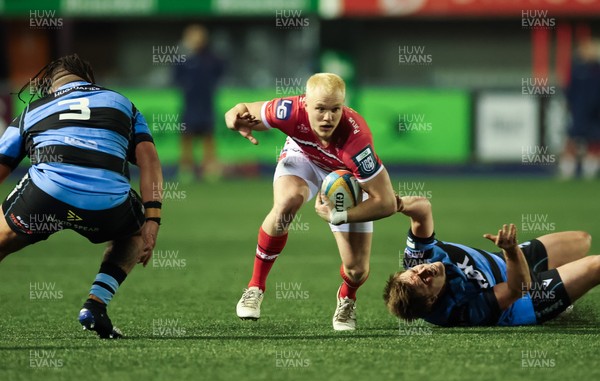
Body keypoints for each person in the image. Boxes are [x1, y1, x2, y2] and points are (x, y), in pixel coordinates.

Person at [0, 54, 163, 338]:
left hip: (45, 195)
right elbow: (149, 161)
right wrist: (152, 220)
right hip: (107, 201)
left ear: (51, 83)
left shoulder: (32, 110)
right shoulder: (122, 103)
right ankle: (95, 305)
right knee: (133, 235)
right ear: (89, 80)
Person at [225, 73, 397, 330]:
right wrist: (233, 117)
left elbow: (386, 203)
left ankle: (347, 298)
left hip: (343, 178)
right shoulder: (289, 111)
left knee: (356, 270)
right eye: (320, 109)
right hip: (303, 158)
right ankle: (255, 287)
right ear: (305, 104)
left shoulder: (357, 143)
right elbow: (244, 111)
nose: (328, 117)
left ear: (343, 105)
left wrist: (339, 216)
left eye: (335, 109)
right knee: (287, 202)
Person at [383, 196, 598, 326]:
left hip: (502, 261)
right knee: (596, 266)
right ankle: (558, 299)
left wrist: (396, 203)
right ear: (431, 301)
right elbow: (518, 288)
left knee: (582, 240)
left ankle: (566, 292)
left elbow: (422, 209)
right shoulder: (461, 311)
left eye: (414, 271)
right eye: (424, 281)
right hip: (528, 299)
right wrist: (511, 250)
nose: (423, 270)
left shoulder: (417, 257)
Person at [174, 24, 224, 182]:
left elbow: (220, 72)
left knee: (208, 136)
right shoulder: (182, 59)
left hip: (206, 103)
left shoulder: (211, 58)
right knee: (187, 136)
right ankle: (186, 169)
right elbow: (176, 78)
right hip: (190, 104)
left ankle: (210, 168)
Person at [559, 39, 600, 180]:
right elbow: (569, 90)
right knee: (571, 141)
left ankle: (590, 173)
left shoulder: (597, 70)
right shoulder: (577, 70)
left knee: (594, 143)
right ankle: (566, 172)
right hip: (579, 112)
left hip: (596, 114)